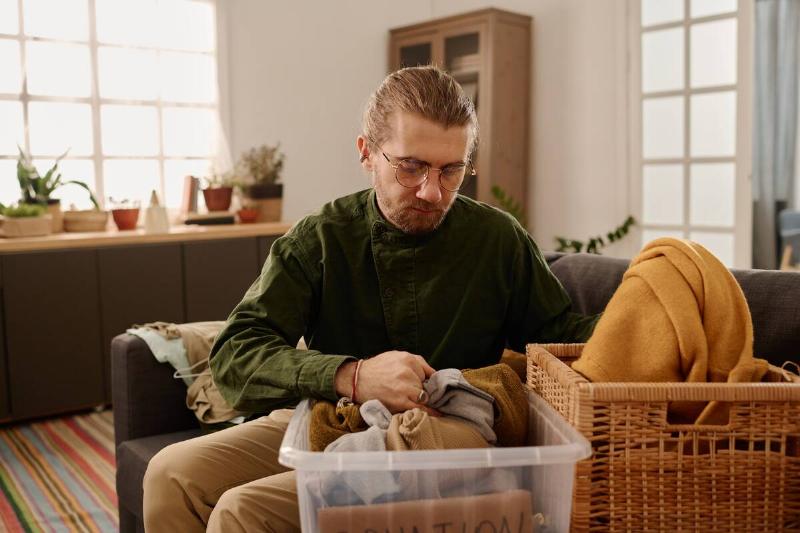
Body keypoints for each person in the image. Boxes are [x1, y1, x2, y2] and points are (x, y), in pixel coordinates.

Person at [142, 65, 599, 533]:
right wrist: (351, 375)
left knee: (240, 510)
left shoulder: (499, 239)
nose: (432, 191)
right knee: (169, 474)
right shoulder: (319, 238)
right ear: (366, 153)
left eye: (452, 170)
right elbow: (235, 356)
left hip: (441, 439)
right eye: (411, 166)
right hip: (330, 418)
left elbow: (559, 334)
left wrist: (652, 305)